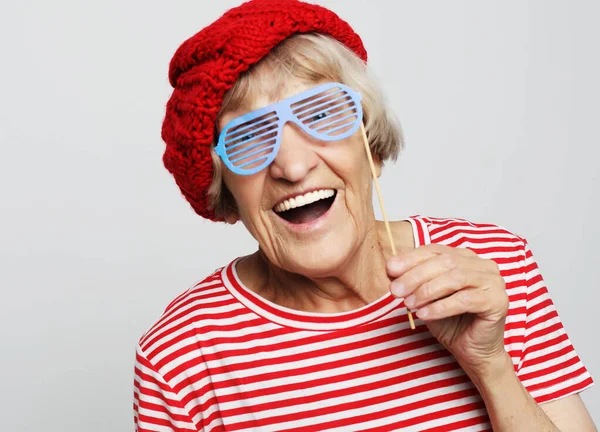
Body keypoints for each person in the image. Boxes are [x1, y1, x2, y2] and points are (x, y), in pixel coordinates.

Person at [133, 0, 596, 430]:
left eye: (320, 114)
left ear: (370, 148)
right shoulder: (181, 356)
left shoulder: (493, 266)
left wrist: (491, 366)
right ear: (225, 191)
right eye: (249, 137)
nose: (293, 167)